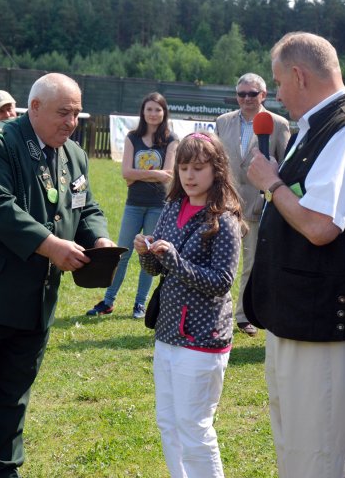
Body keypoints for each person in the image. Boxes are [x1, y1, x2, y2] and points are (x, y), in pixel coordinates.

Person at [0, 73, 114, 477]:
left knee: (11, 405)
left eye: (77, 114)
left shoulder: (74, 155)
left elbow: (87, 208)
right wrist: (51, 245)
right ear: (35, 108)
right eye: (63, 112)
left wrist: (98, 240)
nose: (71, 122)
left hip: (33, 307)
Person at [244, 32, 345, 477]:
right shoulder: (323, 125)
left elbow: (319, 225)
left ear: (299, 75)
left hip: (326, 319)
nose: (275, 94)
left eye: (277, 83)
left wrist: (271, 183)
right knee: (296, 444)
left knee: (319, 455)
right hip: (302, 314)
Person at [134, 131, 242, 478]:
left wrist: (176, 260)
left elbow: (221, 283)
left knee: (194, 427)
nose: (189, 176)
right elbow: (156, 268)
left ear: (217, 170)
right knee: (168, 421)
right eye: (183, 168)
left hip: (203, 338)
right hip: (167, 331)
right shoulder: (172, 207)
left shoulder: (223, 219)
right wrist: (146, 253)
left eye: (198, 167)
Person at [87, 92, 177, 319]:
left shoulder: (170, 139)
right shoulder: (132, 137)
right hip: (134, 205)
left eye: (158, 109)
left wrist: (139, 175)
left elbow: (168, 175)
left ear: (164, 112)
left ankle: (140, 305)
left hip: (158, 206)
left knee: (149, 254)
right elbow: (125, 172)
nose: (154, 114)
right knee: (122, 254)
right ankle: (108, 302)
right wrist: (152, 174)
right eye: (149, 109)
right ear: (143, 112)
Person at [215, 73, 290, 337]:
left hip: (258, 207)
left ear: (264, 95)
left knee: (250, 264)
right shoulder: (223, 122)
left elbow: (285, 166)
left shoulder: (278, 124)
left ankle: (244, 315)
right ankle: (216, 312)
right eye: (241, 94)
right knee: (220, 262)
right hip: (224, 206)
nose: (246, 99)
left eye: (252, 94)